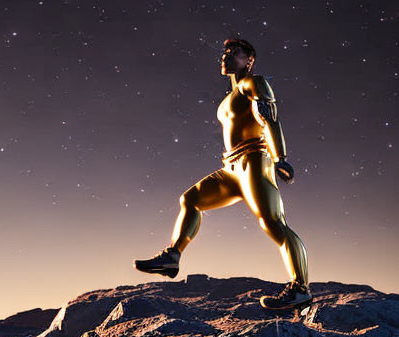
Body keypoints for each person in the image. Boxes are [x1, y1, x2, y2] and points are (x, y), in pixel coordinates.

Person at [134, 38, 312, 310]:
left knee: (273, 223)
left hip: (254, 160)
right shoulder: (228, 98)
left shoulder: (254, 83)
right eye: (225, 52)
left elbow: (269, 116)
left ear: (249, 60)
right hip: (231, 168)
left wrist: (280, 158)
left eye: (234, 53)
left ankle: (300, 288)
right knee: (190, 200)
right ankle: (172, 256)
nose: (226, 56)